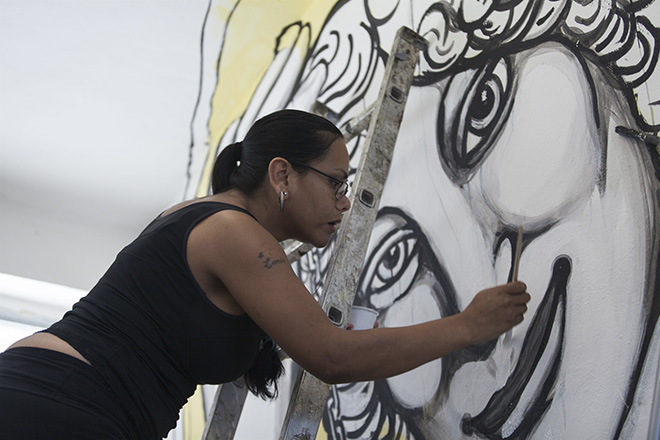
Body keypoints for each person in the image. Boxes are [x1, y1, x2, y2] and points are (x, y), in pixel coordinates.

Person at [0, 109, 530, 440]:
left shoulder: (215, 222)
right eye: (336, 184)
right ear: (282, 174)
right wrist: (469, 325)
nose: (345, 203)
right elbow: (331, 357)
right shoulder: (232, 230)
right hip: (62, 402)